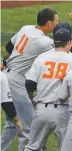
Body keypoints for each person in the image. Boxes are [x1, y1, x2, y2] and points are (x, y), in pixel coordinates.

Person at [1, 8, 58, 151]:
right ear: (49, 23)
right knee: (29, 128)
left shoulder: (26, 28)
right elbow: (67, 52)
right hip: (17, 82)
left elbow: (8, 47)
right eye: (56, 21)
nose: (58, 24)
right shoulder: (43, 41)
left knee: (12, 123)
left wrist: (4, 61)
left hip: (8, 76)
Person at [24, 27, 72, 151]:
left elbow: (29, 84)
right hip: (64, 111)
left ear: (54, 41)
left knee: (32, 147)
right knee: (66, 148)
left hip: (42, 110)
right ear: (68, 43)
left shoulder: (41, 58)